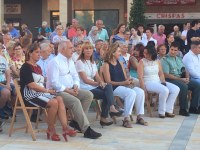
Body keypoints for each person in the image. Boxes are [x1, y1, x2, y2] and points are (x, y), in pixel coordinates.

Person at [20, 43, 76, 141]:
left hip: (40, 93)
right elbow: (32, 85)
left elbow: (42, 81)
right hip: (30, 94)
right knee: (54, 102)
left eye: (39, 52)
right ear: (30, 53)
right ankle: (51, 129)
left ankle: (65, 127)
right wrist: (48, 90)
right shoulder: (25, 67)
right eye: (37, 52)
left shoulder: (38, 67)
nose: (39, 54)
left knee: (59, 98)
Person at [46, 40, 102, 139]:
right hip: (57, 92)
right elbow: (54, 83)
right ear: (63, 49)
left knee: (88, 95)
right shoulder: (54, 62)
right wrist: (68, 90)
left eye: (73, 47)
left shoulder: (70, 60)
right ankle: (86, 129)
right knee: (75, 101)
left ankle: (76, 122)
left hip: (71, 89)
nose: (74, 50)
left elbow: (75, 76)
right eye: (70, 48)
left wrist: (76, 85)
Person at [76, 41, 121, 127]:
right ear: (83, 51)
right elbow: (85, 80)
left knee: (108, 86)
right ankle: (106, 115)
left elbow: (97, 76)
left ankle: (111, 108)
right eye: (86, 49)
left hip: (92, 86)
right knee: (106, 94)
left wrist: (101, 82)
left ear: (93, 50)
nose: (88, 50)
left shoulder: (92, 62)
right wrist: (98, 84)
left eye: (90, 48)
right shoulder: (79, 62)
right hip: (84, 88)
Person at [103, 42, 147, 128]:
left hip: (123, 86)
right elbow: (108, 82)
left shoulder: (120, 63)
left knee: (140, 92)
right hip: (113, 88)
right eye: (119, 51)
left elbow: (124, 77)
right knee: (131, 93)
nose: (120, 53)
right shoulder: (106, 64)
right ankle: (126, 119)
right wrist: (123, 83)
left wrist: (128, 81)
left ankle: (139, 116)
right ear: (113, 52)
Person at [138, 45, 180, 118]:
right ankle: (162, 112)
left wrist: (163, 82)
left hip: (158, 81)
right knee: (164, 90)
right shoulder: (142, 62)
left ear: (151, 53)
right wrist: (143, 89)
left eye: (146, 53)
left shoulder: (157, 61)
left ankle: (168, 110)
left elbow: (161, 73)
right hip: (148, 82)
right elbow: (140, 77)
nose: (144, 55)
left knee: (176, 89)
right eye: (144, 53)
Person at [161, 42, 200, 116]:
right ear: (169, 49)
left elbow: (185, 69)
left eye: (175, 50)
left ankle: (193, 107)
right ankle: (183, 109)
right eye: (171, 49)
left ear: (178, 51)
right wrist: (181, 79)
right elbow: (166, 74)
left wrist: (187, 78)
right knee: (184, 86)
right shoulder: (165, 59)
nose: (173, 51)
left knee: (197, 85)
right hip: (170, 79)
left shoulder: (179, 59)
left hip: (180, 79)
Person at [182, 41, 200, 113]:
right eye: (199, 47)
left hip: (198, 77)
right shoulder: (188, 56)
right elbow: (191, 72)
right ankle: (194, 107)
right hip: (191, 78)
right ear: (194, 48)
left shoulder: (198, 55)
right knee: (198, 84)